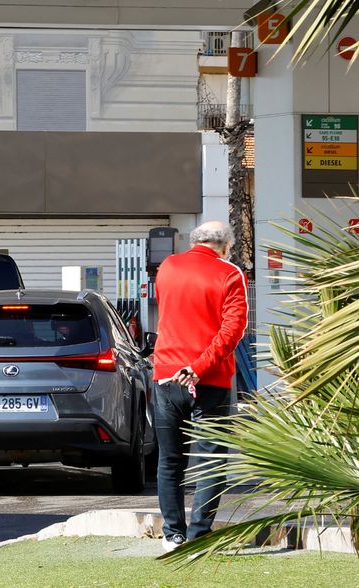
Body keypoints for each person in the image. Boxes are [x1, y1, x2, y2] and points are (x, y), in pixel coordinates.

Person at [152, 221, 247, 552]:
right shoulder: (229, 273)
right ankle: (199, 534)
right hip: (209, 379)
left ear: (195, 241)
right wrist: (199, 367)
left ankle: (172, 534)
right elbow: (232, 330)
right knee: (211, 460)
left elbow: (168, 312)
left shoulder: (167, 267)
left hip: (166, 376)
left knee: (170, 459)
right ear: (224, 246)